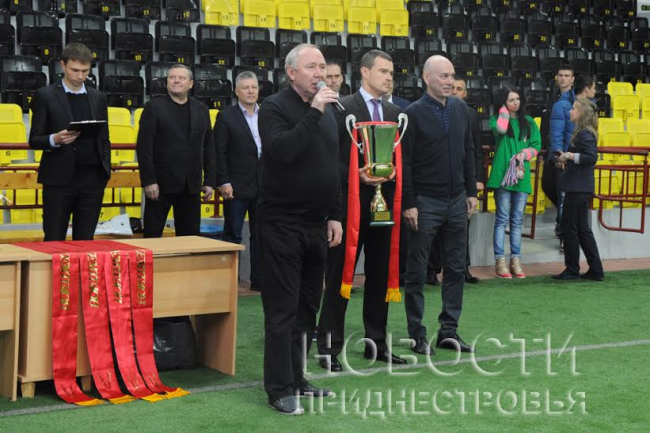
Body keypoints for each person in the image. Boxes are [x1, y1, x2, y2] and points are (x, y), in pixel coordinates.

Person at [257, 43, 342, 415]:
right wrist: (315, 111)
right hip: (280, 224)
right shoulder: (274, 108)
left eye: (322, 66)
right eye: (311, 67)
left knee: (308, 308)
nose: (319, 73)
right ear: (291, 72)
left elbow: (332, 166)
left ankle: (298, 377)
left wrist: (335, 214)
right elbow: (282, 152)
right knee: (282, 310)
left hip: (315, 225)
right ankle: (279, 388)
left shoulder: (328, 111)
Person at [317, 50, 406, 372]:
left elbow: (402, 159)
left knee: (380, 278)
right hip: (348, 209)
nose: (389, 77)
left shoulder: (396, 113)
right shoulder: (340, 108)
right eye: (383, 71)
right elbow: (328, 159)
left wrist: (393, 172)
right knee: (339, 279)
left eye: (391, 72)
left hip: (384, 208)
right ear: (364, 73)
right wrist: (355, 174)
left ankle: (376, 344)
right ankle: (328, 349)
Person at [401, 55, 478, 356]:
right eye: (443, 76)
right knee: (417, 271)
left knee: (456, 269)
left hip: (457, 201)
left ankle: (449, 332)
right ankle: (416, 334)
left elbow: (468, 151)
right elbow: (405, 163)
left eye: (451, 76)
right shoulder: (412, 114)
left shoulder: (462, 110)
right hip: (424, 202)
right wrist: (409, 203)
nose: (449, 81)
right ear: (426, 77)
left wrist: (471, 191)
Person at [28, 43, 111, 241]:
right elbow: (34, 139)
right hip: (58, 179)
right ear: (62, 65)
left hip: (92, 179)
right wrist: (54, 139)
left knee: (86, 240)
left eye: (85, 71)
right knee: (54, 238)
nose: (80, 76)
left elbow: (104, 138)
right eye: (75, 70)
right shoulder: (45, 96)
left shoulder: (98, 97)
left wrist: (105, 170)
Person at [136, 64, 216, 238]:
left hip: (191, 185)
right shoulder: (153, 108)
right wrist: (149, 181)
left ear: (191, 84)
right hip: (160, 185)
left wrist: (210, 181)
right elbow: (144, 148)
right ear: (167, 82)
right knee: (152, 236)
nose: (176, 81)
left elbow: (208, 146)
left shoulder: (201, 109)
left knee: (190, 239)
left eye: (181, 78)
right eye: (172, 77)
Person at [426, 77, 485, 286]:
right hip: (437, 180)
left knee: (462, 229)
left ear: (465, 93)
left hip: (462, 181)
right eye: (452, 87)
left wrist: (478, 179)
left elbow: (476, 150)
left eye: (459, 89)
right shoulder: (432, 110)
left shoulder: (470, 114)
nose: (454, 91)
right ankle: (432, 270)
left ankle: (463, 268)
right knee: (435, 229)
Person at [486, 85, 542, 279]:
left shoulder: (529, 122)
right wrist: (503, 111)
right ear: (503, 102)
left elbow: (536, 145)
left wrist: (524, 154)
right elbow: (501, 129)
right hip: (502, 176)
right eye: (511, 100)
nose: (516, 103)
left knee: (517, 220)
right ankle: (500, 261)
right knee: (502, 219)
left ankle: (516, 260)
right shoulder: (497, 119)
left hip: (521, 176)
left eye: (517, 99)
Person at [214, 71, 262, 290]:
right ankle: (229, 283)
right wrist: (224, 181)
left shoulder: (268, 114)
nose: (250, 91)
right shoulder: (226, 116)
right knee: (233, 235)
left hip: (264, 186)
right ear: (236, 91)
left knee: (261, 236)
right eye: (245, 87)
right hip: (236, 186)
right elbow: (219, 152)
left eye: (254, 87)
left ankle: (259, 282)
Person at [553, 98, 604, 281]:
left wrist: (569, 156)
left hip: (578, 188)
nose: (570, 111)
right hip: (580, 187)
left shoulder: (584, 134)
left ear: (581, 113)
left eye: (574, 109)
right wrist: (567, 159)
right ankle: (595, 269)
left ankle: (572, 268)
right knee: (582, 229)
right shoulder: (584, 133)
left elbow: (591, 157)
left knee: (570, 227)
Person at [549, 65, 576, 251]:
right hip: (564, 157)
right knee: (563, 199)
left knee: (566, 199)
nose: (563, 78)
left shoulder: (573, 101)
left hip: (571, 157)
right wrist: (559, 156)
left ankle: (565, 234)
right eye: (560, 75)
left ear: (572, 79)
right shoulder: (557, 100)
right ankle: (564, 236)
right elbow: (556, 133)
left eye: (567, 75)